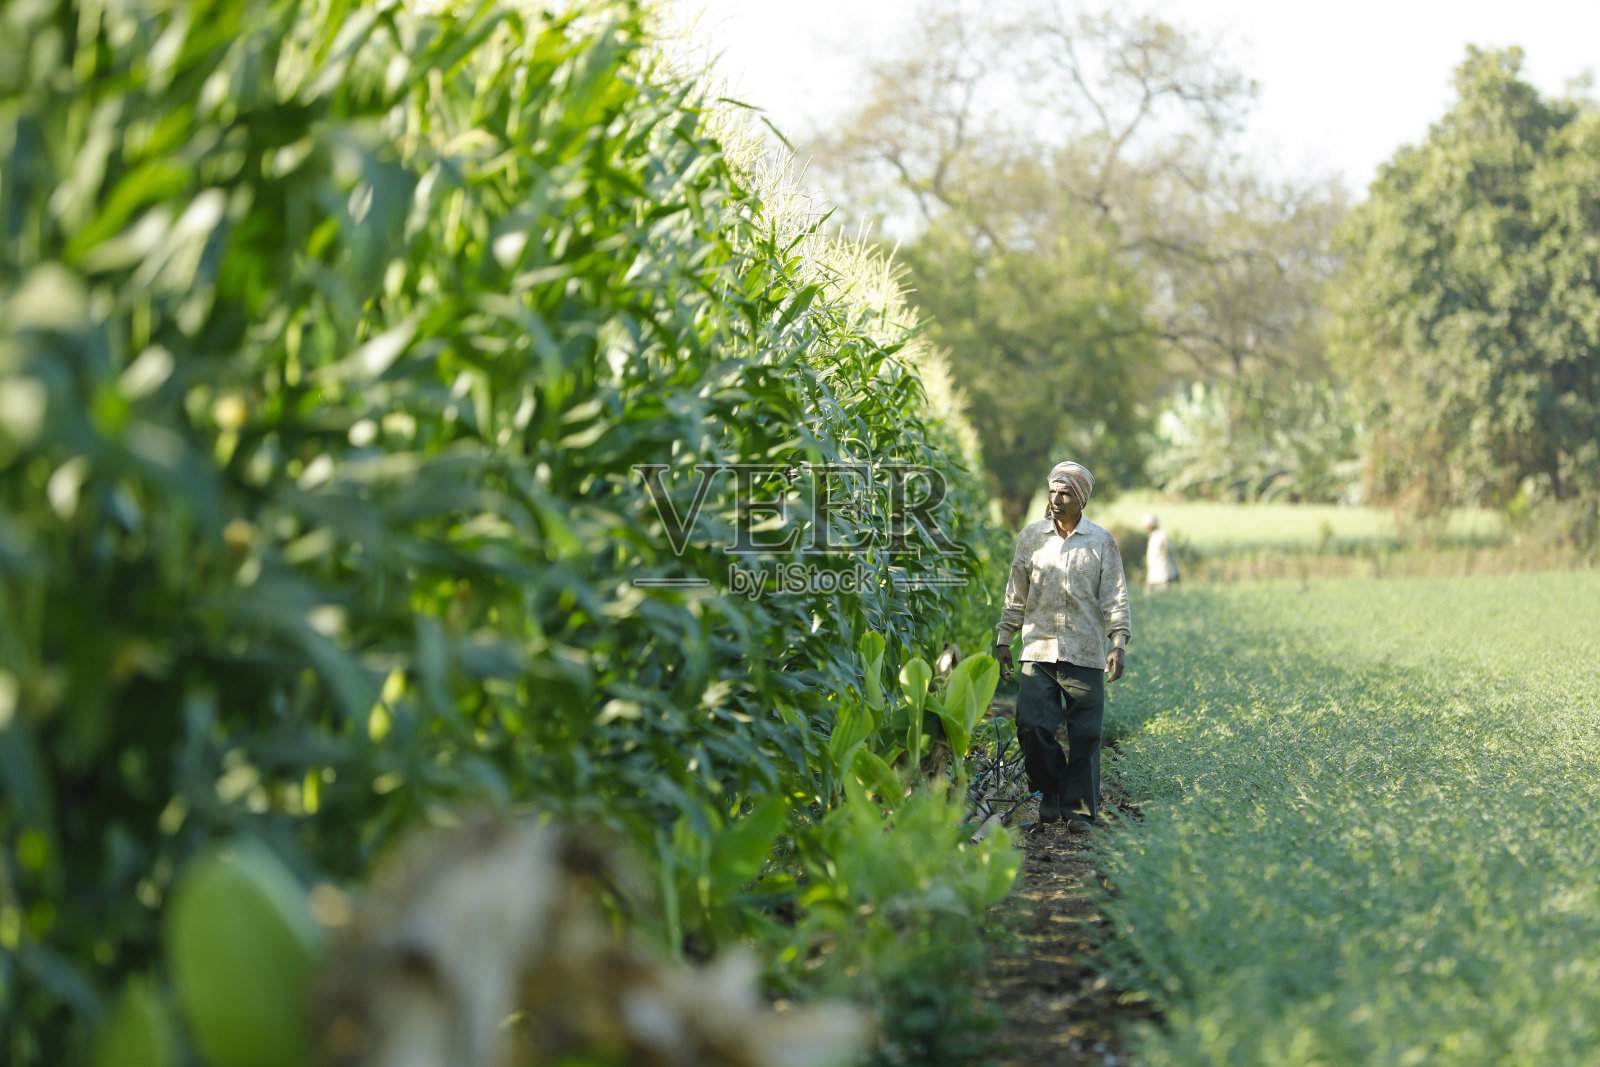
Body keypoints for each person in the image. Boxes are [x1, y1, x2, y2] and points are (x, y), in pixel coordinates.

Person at [995, 461, 1131, 830]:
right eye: (1053, 492)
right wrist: (1003, 637)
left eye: (1065, 493)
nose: (1056, 499)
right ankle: (1050, 790)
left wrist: (1118, 642)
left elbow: (1115, 597)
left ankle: (1080, 810)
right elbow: (1015, 596)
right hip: (1037, 650)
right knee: (1031, 725)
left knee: (1086, 736)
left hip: (1085, 653)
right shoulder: (1030, 537)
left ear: (1081, 499)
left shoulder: (1101, 542)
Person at [1142, 513, 1179, 594]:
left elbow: (1172, 551)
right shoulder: (1152, 536)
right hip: (1153, 575)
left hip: (1164, 574)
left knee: (1163, 597)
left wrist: (1176, 569)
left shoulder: (1162, 535)